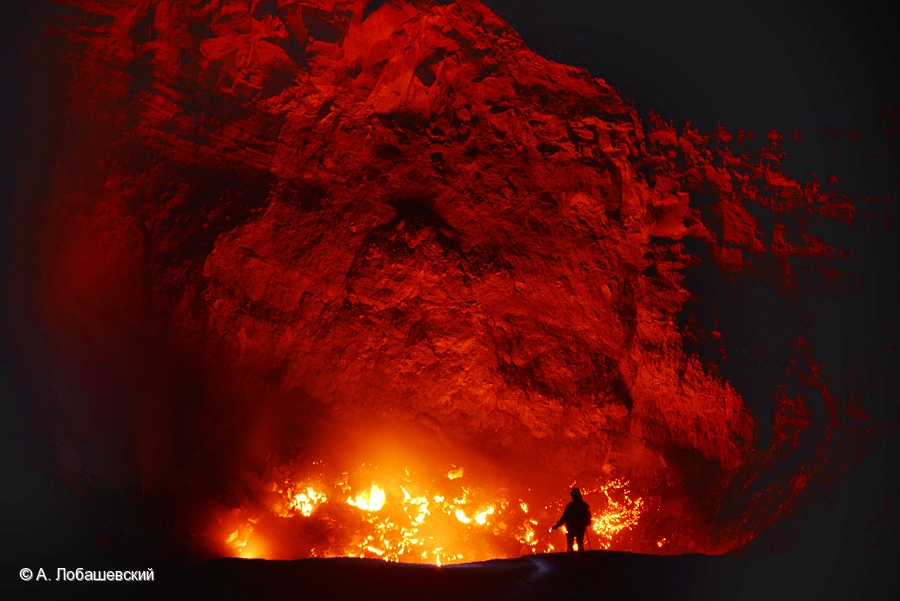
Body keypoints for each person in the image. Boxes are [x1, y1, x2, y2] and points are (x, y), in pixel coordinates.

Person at [552, 487, 591, 552]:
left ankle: (575, 557)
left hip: (576, 526)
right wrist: (557, 525)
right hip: (576, 527)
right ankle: (578, 557)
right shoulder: (582, 505)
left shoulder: (576, 505)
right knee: (576, 543)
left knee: (577, 542)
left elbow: (565, 517)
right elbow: (565, 517)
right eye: (573, 494)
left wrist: (558, 525)